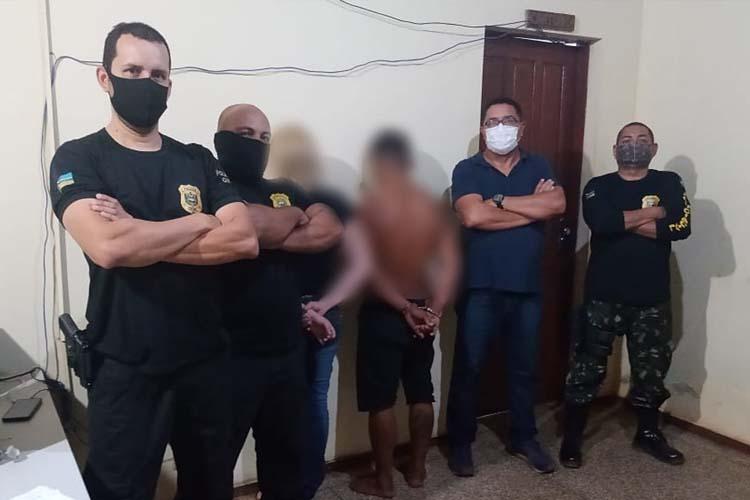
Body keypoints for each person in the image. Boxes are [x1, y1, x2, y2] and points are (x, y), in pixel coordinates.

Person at [48, 23, 258, 500]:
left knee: (210, 488)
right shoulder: (79, 157)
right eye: (133, 71)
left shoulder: (197, 160)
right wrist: (199, 220)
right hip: (126, 366)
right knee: (118, 491)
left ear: (169, 84)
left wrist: (137, 231)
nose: (147, 82)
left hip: (204, 360)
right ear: (105, 78)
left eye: (158, 75)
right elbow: (109, 247)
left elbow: (243, 239)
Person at [214, 104, 343, 500]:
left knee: (286, 465)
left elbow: (329, 228)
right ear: (221, 139)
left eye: (264, 137)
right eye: (245, 134)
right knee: (211, 468)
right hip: (228, 357)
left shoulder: (282, 188)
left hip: (286, 353)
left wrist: (263, 235)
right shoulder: (210, 186)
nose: (256, 143)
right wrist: (289, 218)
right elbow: (248, 223)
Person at [560, 122, 691, 468]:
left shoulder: (669, 182)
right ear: (615, 149)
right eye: (627, 140)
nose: (635, 145)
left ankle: (648, 433)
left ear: (654, 148)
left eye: (642, 140)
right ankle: (572, 436)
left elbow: (681, 226)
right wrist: (654, 213)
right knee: (586, 368)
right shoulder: (598, 186)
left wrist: (624, 220)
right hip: (603, 296)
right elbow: (601, 223)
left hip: (652, 299)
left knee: (651, 371)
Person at [447, 97, 566, 476]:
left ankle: (523, 437)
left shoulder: (539, 165)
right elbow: (472, 216)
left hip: (527, 286)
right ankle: (460, 443)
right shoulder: (468, 168)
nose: (500, 128)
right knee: (469, 368)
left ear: (521, 126)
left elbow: (557, 204)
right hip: (479, 286)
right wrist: (531, 210)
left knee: (524, 368)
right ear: (483, 129)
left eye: (508, 120)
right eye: (492, 122)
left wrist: (497, 203)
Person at [350, 130, 459, 498]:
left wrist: (404, 308)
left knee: (381, 401)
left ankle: (384, 481)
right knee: (420, 391)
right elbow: (449, 264)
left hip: (385, 312)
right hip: (423, 311)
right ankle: (417, 470)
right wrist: (434, 311)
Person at [266, 126, 371, 500]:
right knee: (292, 399)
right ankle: (295, 484)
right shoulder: (268, 194)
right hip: (283, 311)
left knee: (305, 398)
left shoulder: (325, 200)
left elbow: (362, 262)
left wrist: (326, 303)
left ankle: (301, 484)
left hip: (317, 314)